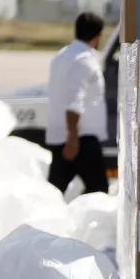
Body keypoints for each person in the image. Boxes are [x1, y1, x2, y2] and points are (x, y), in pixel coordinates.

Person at [45, 12, 109, 195]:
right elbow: (74, 100)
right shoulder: (85, 60)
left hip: (60, 136)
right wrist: (72, 137)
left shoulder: (61, 56)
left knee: (54, 193)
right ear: (98, 36)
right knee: (98, 192)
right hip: (81, 138)